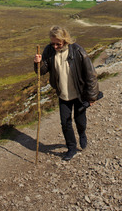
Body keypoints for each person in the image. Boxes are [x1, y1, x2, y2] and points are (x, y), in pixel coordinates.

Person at [34, 25, 99, 161]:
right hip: (63, 94)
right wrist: (38, 63)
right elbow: (43, 70)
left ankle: (82, 133)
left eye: (58, 44)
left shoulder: (77, 51)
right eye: (53, 44)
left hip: (79, 93)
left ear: (65, 40)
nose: (55, 46)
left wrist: (92, 96)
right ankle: (71, 148)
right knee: (65, 123)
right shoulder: (49, 50)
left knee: (79, 120)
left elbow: (91, 74)